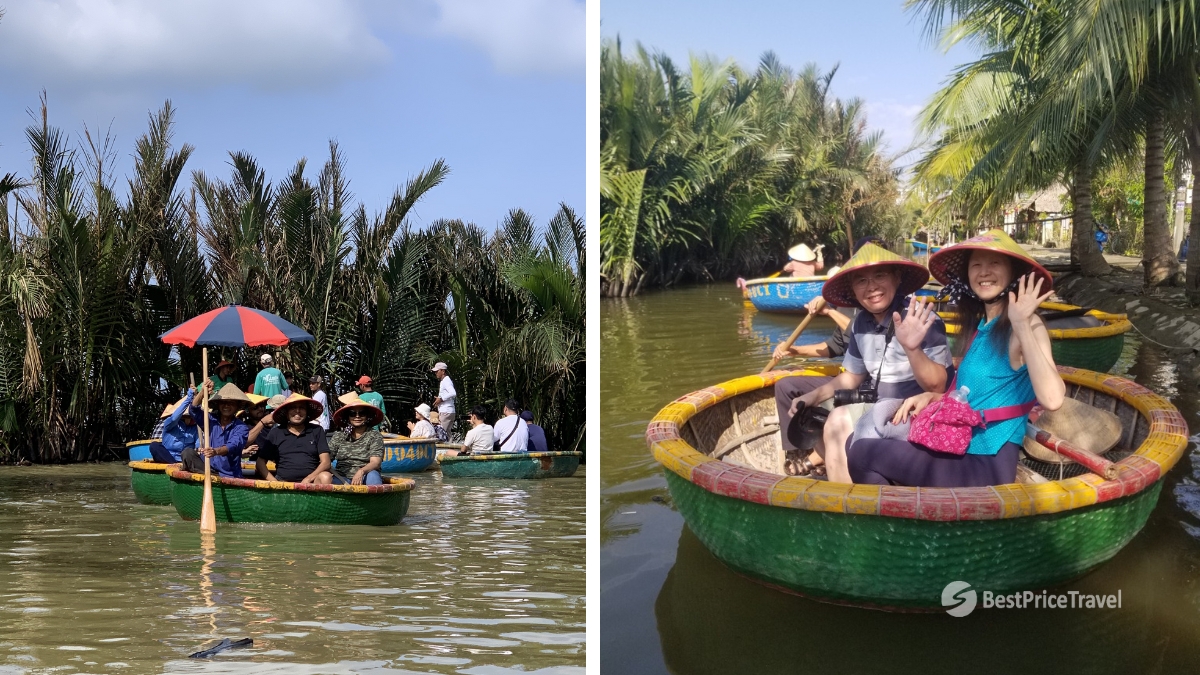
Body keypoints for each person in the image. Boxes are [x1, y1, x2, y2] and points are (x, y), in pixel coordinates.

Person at [846, 229, 1065, 487]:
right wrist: (933, 396)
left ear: (1013, 273)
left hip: (987, 462)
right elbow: (976, 397)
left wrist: (1021, 324)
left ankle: (898, 514)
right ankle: (911, 509)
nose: (984, 272)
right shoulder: (982, 327)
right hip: (959, 444)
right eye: (976, 265)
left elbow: (1052, 399)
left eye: (994, 263)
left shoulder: (1029, 324)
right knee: (853, 441)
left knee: (862, 455)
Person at [783, 243, 952, 481]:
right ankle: (843, 483)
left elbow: (938, 387)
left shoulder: (921, 319)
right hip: (879, 403)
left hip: (917, 409)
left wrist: (912, 348)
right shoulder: (860, 323)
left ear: (897, 278)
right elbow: (853, 376)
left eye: (880, 276)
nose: (871, 287)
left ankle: (847, 494)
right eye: (861, 280)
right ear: (853, 290)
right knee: (814, 414)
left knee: (838, 421)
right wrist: (813, 396)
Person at [253, 393, 333, 484]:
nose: (297, 411)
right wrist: (275, 482)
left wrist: (308, 479)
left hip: (311, 483)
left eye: (302, 408)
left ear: (307, 412)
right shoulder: (276, 432)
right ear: (286, 413)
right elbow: (260, 462)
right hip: (282, 483)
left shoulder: (317, 430)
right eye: (293, 408)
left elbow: (326, 462)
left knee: (326, 476)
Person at [182, 382, 250, 478]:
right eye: (223, 402)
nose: (226, 406)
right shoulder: (210, 419)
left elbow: (233, 445)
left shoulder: (241, 427)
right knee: (187, 453)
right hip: (206, 468)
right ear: (218, 405)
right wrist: (202, 392)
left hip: (228, 474)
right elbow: (193, 410)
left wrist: (215, 451)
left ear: (237, 407)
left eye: (231, 403)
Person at [328, 393, 385, 485]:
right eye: (352, 414)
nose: (357, 416)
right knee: (324, 477)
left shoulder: (375, 435)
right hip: (342, 478)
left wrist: (361, 471)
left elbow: (375, 463)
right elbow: (326, 459)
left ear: (367, 416)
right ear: (348, 417)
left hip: (366, 476)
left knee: (373, 476)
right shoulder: (339, 436)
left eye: (362, 413)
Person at [148, 390, 199, 464]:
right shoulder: (170, 423)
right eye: (190, 417)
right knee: (154, 445)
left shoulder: (195, 429)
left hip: (184, 460)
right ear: (183, 417)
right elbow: (174, 418)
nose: (193, 419)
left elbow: (198, 445)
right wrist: (189, 399)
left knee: (189, 452)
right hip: (167, 458)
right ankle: (173, 464)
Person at [431, 362, 456, 433]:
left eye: (437, 371)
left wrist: (441, 399)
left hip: (446, 411)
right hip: (449, 411)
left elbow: (453, 393)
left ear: (443, 371)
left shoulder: (446, 381)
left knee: (441, 433)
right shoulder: (445, 381)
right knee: (447, 434)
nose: (435, 373)